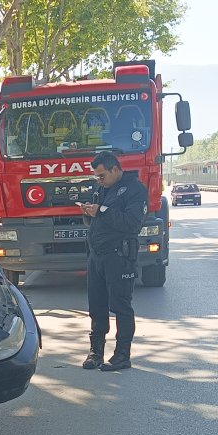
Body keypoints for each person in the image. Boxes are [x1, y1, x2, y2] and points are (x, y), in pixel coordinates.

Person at [78, 151, 145, 372]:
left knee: (121, 306)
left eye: (102, 175)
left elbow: (132, 223)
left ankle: (122, 355)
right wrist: (89, 212)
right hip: (97, 256)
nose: (99, 180)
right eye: (96, 177)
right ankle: (96, 352)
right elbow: (98, 220)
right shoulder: (101, 188)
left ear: (115, 169)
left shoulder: (134, 189)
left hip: (119, 256)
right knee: (97, 306)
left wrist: (102, 211)